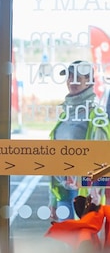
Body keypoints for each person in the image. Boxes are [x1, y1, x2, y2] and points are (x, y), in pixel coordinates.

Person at [49, 60, 110, 220]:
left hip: (84, 195)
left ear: (89, 81)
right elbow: (56, 158)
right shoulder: (65, 115)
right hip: (64, 193)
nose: (71, 81)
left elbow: (103, 161)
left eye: (77, 77)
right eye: (69, 76)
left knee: (82, 243)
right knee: (67, 242)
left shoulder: (96, 116)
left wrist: (95, 195)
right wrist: (53, 199)